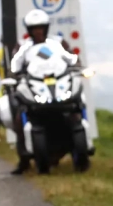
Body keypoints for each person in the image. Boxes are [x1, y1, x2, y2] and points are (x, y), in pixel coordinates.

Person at [8, 9, 79, 174]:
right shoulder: (22, 47)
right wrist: (15, 75)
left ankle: (81, 151)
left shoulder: (59, 43)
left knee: (75, 108)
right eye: (34, 28)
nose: (38, 31)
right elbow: (14, 68)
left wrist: (76, 65)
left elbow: (73, 59)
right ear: (29, 30)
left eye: (40, 27)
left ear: (46, 28)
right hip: (35, 87)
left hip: (59, 86)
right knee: (20, 117)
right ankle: (24, 160)